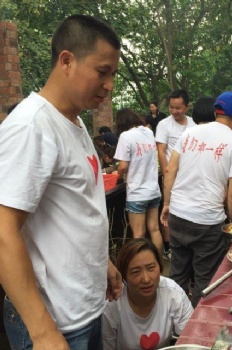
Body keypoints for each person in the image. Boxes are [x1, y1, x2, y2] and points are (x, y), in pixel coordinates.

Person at [0, 15, 122, 350]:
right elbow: (3, 231)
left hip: (84, 309)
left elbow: (78, 208)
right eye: (102, 71)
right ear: (66, 60)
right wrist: (42, 332)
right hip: (54, 324)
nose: (110, 84)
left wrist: (104, 265)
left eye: (113, 74)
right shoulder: (31, 126)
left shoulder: (75, 122)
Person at [160, 91, 232, 307]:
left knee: (178, 275)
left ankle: (174, 324)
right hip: (207, 223)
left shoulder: (189, 134)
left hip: (178, 215)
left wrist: (166, 203)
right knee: (204, 280)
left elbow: (170, 170)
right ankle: (193, 329)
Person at [102, 238, 193, 350]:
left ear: (160, 267)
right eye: (136, 272)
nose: (146, 279)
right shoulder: (113, 304)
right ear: (124, 276)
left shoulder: (173, 293)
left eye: (151, 268)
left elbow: (192, 339)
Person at [114, 108, 163, 254]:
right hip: (154, 191)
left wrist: (117, 176)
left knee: (138, 235)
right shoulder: (148, 132)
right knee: (154, 229)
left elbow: (122, 166)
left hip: (137, 193)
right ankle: (158, 266)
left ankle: (141, 268)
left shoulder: (125, 136)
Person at [155, 89, 196, 261]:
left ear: (186, 107)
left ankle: (190, 245)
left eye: (178, 108)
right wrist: (167, 175)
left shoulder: (194, 125)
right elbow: (161, 150)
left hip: (191, 177)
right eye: (171, 107)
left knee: (189, 211)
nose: (174, 111)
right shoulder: (164, 125)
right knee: (168, 212)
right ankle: (170, 247)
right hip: (172, 176)